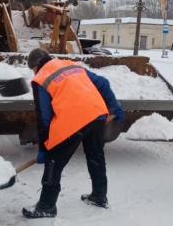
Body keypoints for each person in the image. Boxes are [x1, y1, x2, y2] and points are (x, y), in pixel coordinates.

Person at [22, 48, 125, 218]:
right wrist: (115, 108)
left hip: (73, 121)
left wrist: (44, 149)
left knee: (53, 161)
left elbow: (44, 118)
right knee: (95, 155)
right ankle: (99, 196)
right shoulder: (70, 65)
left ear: (35, 66)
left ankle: (46, 206)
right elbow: (103, 83)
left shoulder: (40, 79)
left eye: (32, 70)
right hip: (97, 114)